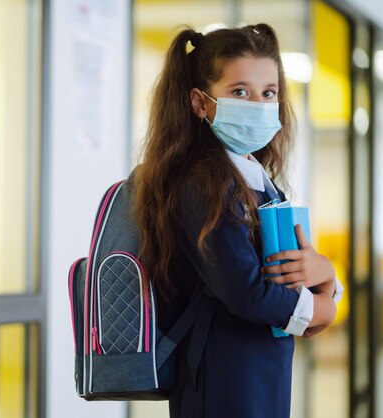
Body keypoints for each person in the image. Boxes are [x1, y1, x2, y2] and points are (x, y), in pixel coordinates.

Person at [131, 23, 343, 418]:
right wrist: (324, 309)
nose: (259, 104)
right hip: (222, 380)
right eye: (240, 92)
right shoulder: (200, 183)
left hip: (262, 370)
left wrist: (327, 277)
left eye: (269, 92)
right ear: (200, 103)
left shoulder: (256, 179)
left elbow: (285, 272)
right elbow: (247, 292)